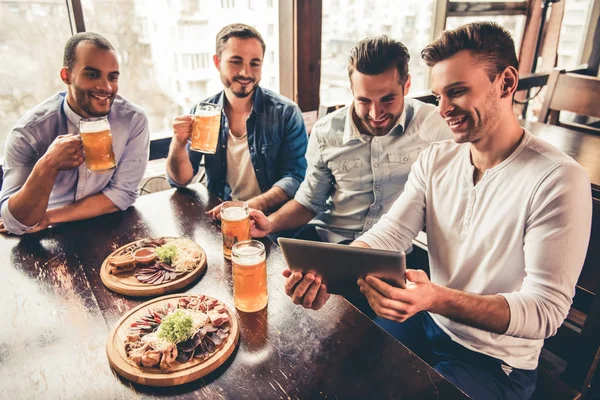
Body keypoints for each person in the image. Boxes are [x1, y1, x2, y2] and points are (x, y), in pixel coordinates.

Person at [282, 22, 593, 399]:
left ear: (507, 83)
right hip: (426, 323)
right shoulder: (437, 158)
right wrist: (330, 274)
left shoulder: (558, 179)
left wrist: (437, 297)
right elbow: (392, 232)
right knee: (328, 371)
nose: (443, 109)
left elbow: (546, 312)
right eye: (439, 95)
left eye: (457, 92)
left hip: (494, 362)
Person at [250, 35, 452, 243]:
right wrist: (271, 223)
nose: (375, 114)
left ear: (406, 85)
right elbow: (309, 203)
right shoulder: (324, 132)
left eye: (388, 99)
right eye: (364, 100)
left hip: (391, 248)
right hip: (330, 241)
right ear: (352, 90)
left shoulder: (435, 125)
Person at [0, 32, 149, 235]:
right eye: (92, 74)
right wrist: (48, 164)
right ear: (66, 76)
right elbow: (14, 221)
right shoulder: (28, 133)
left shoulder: (133, 120)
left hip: (106, 223)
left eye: (112, 77)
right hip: (44, 235)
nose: (106, 87)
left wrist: (50, 216)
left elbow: (123, 194)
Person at [166, 23, 307, 216]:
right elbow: (180, 180)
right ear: (217, 62)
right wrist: (178, 143)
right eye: (236, 61)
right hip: (220, 217)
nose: (245, 73)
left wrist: (249, 207)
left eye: (254, 63)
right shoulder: (204, 113)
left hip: (272, 221)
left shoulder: (287, 113)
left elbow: (295, 176)